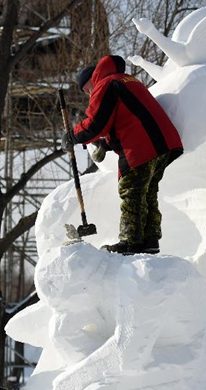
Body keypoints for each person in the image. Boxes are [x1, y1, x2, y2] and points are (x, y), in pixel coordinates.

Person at [61, 55, 183, 255]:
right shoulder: (127, 80)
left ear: (93, 79)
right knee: (147, 193)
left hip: (141, 146)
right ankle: (150, 240)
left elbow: (94, 124)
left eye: (86, 89)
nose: (89, 94)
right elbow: (126, 118)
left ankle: (130, 241)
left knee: (131, 190)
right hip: (164, 143)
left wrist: (72, 137)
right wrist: (106, 144)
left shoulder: (106, 84)